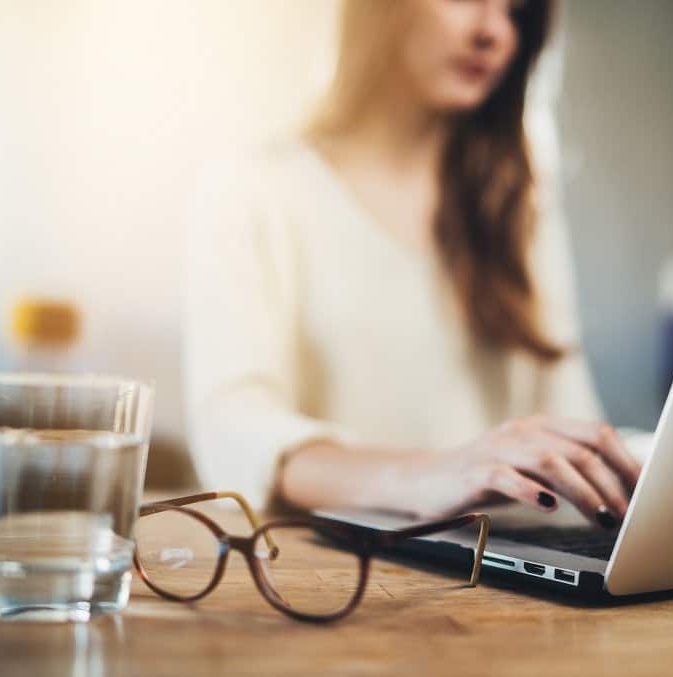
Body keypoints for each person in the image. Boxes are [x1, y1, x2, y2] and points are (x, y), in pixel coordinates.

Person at [185, 0, 642, 529]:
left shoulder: (517, 191)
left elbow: (570, 412)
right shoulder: (256, 184)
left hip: (510, 569)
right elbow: (233, 430)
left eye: (516, 11)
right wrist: (426, 476)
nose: (493, 31)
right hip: (341, 576)